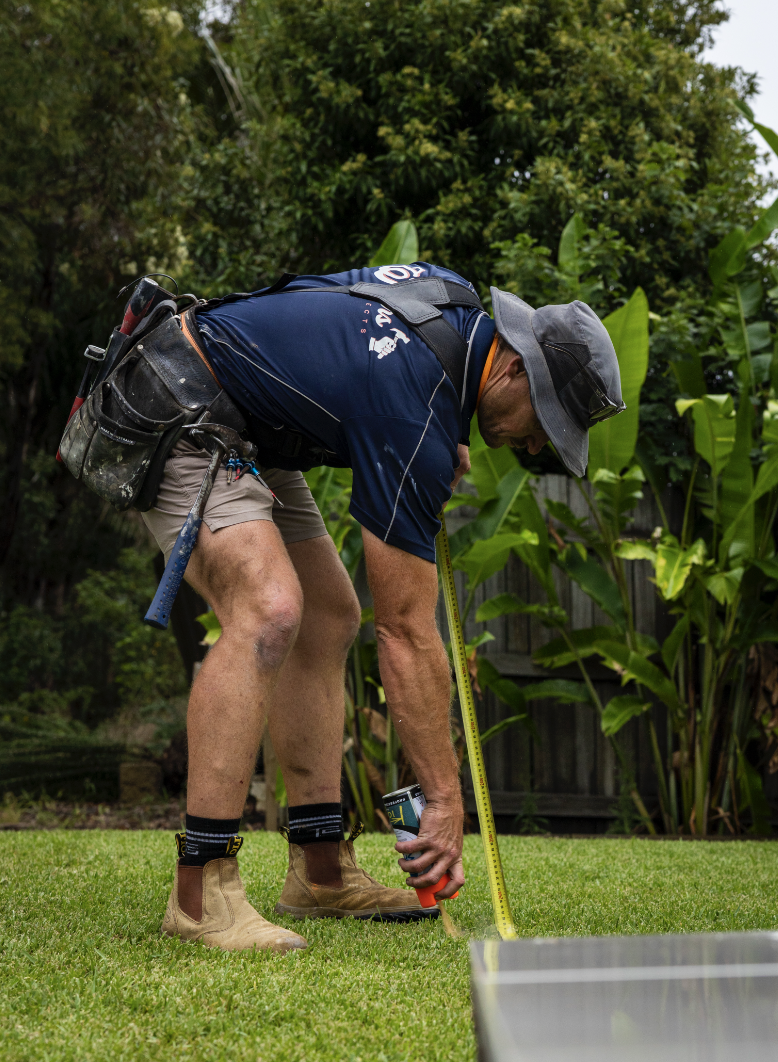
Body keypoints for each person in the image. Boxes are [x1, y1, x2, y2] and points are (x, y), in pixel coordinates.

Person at [139, 261, 623, 950]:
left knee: (330, 616)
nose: (539, 443)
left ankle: (319, 871)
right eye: (547, 419)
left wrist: (437, 429)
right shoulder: (416, 409)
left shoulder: (452, 308)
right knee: (269, 607)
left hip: (251, 422)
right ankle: (200, 890)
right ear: (513, 368)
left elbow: (330, 320)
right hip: (179, 397)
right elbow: (407, 635)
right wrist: (446, 803)